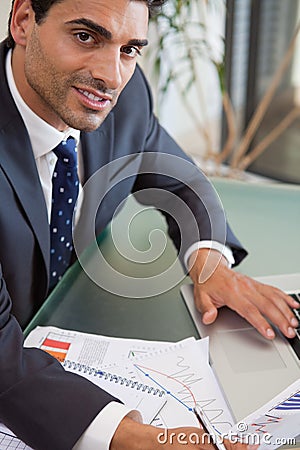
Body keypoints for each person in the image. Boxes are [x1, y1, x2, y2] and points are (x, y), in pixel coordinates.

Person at [0, 0, 298, 449]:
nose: (112, 76)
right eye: (86, 36)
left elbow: (183, 179)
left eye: (129, 49)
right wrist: (133, 437)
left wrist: (210, 263)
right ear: (24, 21)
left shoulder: (124, 92)